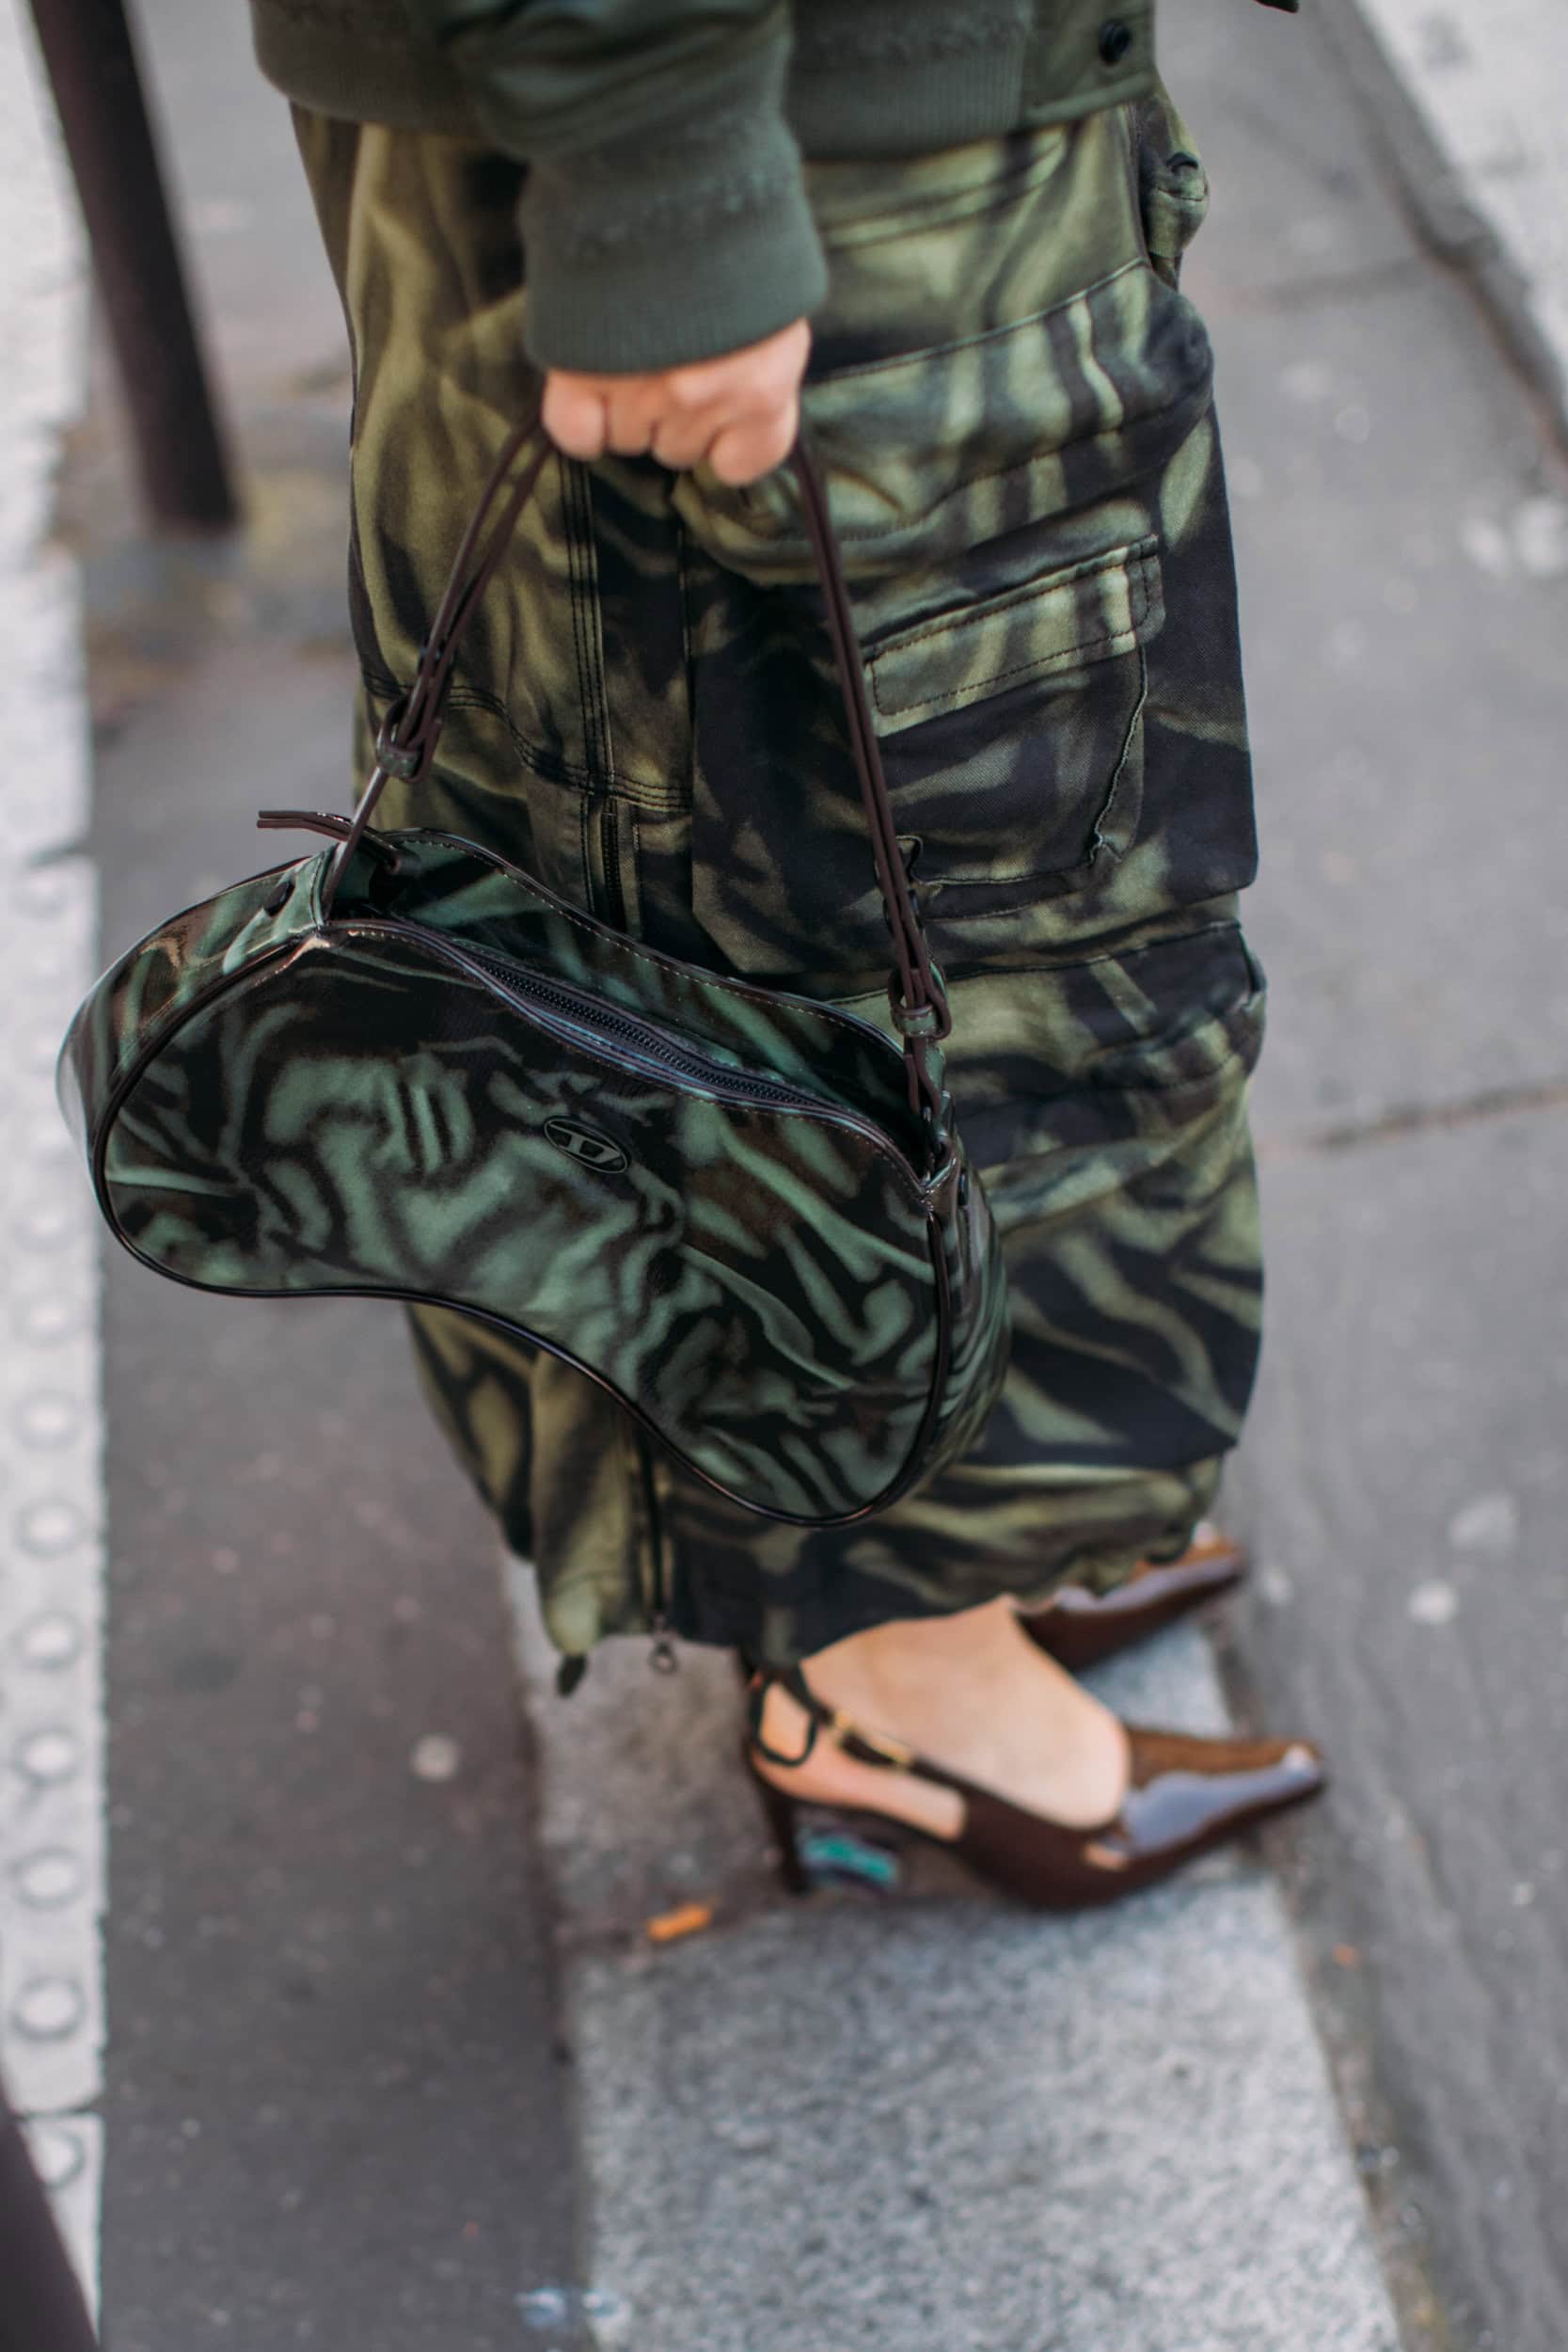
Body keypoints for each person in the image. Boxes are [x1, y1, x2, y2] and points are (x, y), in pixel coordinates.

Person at [248, 0, 1323, 1902]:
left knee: (979, 906)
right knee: (839, 960)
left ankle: (940, 1568)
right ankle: (889, 1672)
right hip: (757, 129)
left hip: (822, 105)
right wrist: (662, 161)